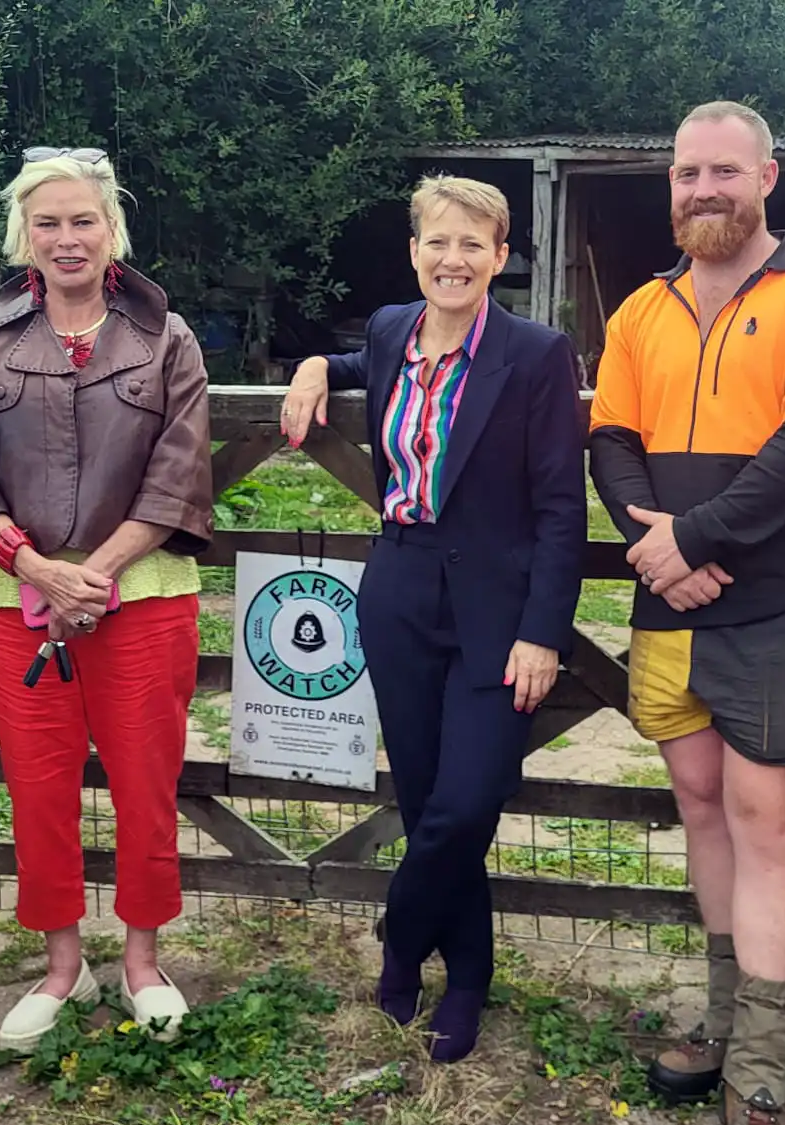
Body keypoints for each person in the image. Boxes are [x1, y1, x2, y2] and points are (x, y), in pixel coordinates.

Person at [588, 101, 785, 1125]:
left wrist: (694, 540)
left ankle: (761, 1068)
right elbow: (609, 438)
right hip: (670, 601)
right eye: (683, 173)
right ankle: (716, 1024)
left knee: (767, 824)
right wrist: (651, 541)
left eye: (721, 171)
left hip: (771, 601)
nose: (700, 190)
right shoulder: (641, 308)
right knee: (701, 807)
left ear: (765, 176)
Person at [280, 175, 586, 1063]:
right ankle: (470, 980)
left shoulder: (535, 353)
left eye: (473, 245)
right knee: (424, 801)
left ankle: (399, 947)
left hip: (500, 608)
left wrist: (544, 631)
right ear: (414, 251)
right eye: (437, 243)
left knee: (464, 803)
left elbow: (562, 509)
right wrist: (308, 369)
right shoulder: (387, 331)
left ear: (500, 256)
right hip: (402, 592)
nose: (453, 260)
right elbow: (347, 366)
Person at [0, 148, 214, 1054]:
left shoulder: (166, 338)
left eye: (82, 220)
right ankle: (61, 967)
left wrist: (100, 573)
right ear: (24, 234)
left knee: (145, 785)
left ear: (111, 230)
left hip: (145, 596)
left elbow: (178, 480)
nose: (66, 238)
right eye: (47, 222)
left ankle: (141, 962)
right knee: (39, 790)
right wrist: (37, 569)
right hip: (17, 602)